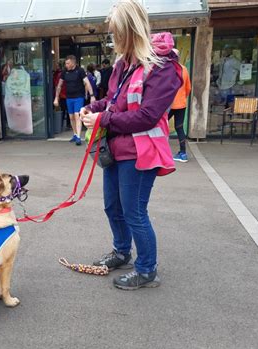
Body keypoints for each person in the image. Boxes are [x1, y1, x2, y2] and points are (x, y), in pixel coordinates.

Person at [80, 0, 182, 290]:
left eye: (116, 33)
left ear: (131, 31)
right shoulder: (123, 64)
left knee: (135, 212)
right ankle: (122, 252)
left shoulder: (163, 66)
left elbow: (148, 116)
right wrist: (93, 108)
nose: (113, 40)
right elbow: (112, 100)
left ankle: (147, 269)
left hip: (141, 153)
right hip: (116, 150)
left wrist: (104, 118)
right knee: (113, 207)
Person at [54, 55, 96, 146]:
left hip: (78, 97)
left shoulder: (80, 70)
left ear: (73, 63)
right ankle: (75, 134)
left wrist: (92, 96)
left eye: (68, 63)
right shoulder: (65, 72)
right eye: (65, 63)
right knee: (71, 117)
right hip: (69, 97)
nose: (66, 65)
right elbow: (59, 85)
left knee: (77, 115)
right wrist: (56, 98)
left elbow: (87, 83)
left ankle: (78, 137)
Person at [168, 49, 192, 163]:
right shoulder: (184, 69)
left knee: (159, 126)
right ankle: (183, 153)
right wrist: (182, 97)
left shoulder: (167, 69)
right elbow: (188, 88)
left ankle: (159, 152)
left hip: (167, 104)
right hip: (181, 104)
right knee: (179, 128)